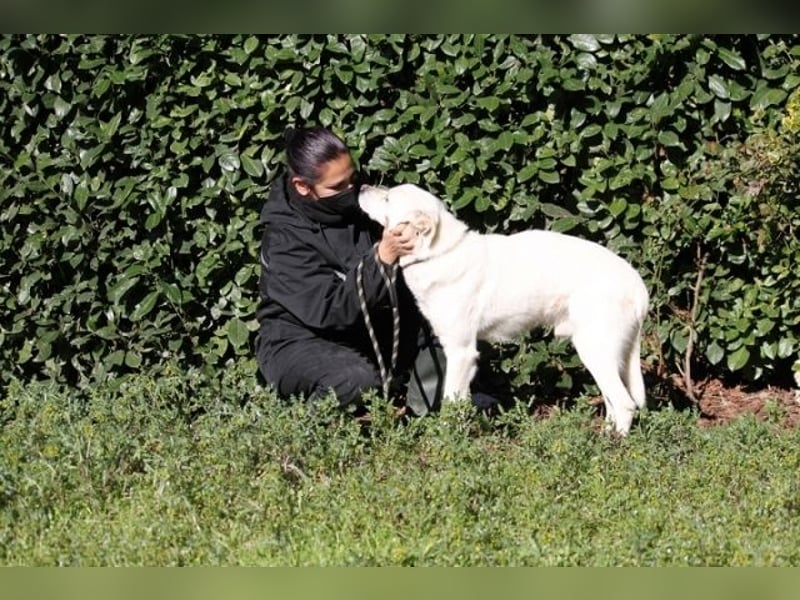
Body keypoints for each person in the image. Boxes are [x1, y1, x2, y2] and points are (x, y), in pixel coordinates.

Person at [255, 126, 444, 416]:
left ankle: (426, 419)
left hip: (365, 331)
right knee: (353, 380)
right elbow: (331, 311)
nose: (350, 191)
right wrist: (381, 258)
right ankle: (303, 432)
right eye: (337, 186)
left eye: (352, 179)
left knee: (448, 319)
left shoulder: (360, 201)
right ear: (302, 186)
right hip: (299, 340)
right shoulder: (283, 240)